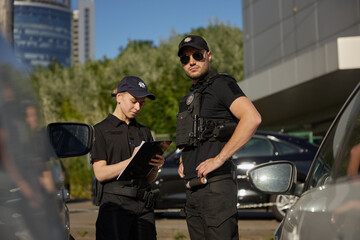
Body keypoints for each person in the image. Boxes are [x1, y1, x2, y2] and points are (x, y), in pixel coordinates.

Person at [176, 35, 262, 240]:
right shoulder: (188, 98)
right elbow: (192, 136)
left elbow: (252, 118)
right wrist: (183, 158)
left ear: (208, 55)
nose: (192, 62)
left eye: (197, 55)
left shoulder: (221, 84)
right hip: (193, 190)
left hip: (216, 188)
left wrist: (219, 158)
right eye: (185, 59)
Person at [91, 76, 165, 240]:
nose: (138, 107)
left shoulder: (144, 131)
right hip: (115, 206)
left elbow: (150, 178)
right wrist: (132, 160)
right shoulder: (100, 130)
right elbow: (100, 174)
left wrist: (156, 167)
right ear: (119, 97)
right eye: (133, 101)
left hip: (144, 206)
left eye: (142, 103)